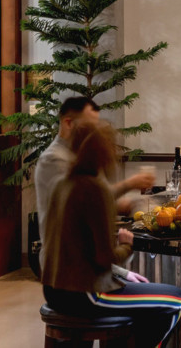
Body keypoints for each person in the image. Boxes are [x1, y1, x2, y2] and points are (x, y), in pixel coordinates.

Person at [40, 119, 181, 348]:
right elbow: (104, 259)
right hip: (86, 295)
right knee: (176, 300)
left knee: (145, 301)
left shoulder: (63, 182)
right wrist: (127, 245)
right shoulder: (93, 189)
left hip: (54, 291)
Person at [34, 97, 155, 279]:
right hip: (68, 266)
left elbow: (93, 204)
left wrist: (127, 204)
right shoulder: (54, 160)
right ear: (68, 123)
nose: (97, 135)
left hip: (88, 262)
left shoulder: (84, 159)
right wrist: (130, 184)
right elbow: (87, 202)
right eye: (91, 128)